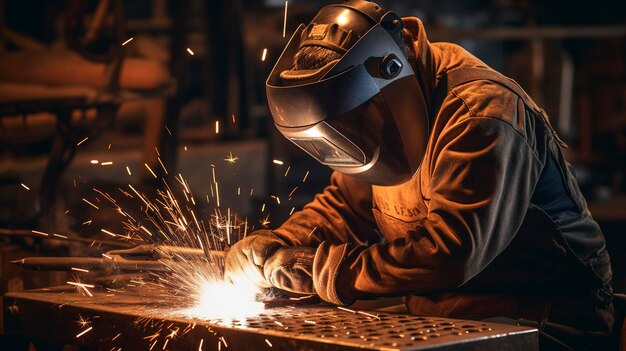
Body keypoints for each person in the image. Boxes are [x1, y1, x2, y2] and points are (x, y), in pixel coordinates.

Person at [224, 1, 614, 349]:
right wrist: (277, 244)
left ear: (392, 70)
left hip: (544, 318)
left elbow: (451, 252)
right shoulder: (384, 109)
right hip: (447, 312)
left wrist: (326, 272)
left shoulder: (481, 115)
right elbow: (346, 207)